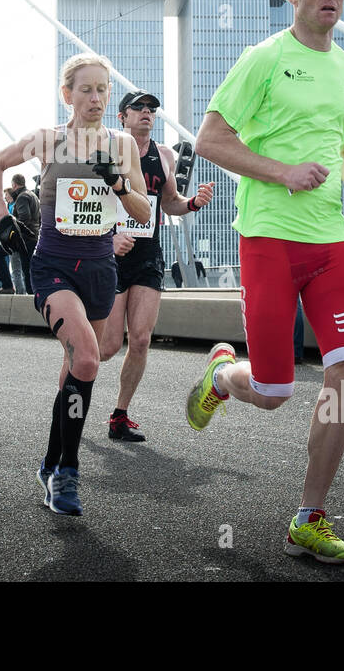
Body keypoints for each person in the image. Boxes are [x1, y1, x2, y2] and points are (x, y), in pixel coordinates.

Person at [191, 0, 344, 565]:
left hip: (332, 245)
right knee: (273, 390)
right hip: (269, 239)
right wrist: (283, 172)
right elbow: (211, 139)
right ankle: (223, 375)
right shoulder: (264, 59)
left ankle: (309, 517)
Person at [0, 52, 149, 516]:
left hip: (99, 268)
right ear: (67, 95)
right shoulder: (48, 140)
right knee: (88, 358)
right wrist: (2, 220)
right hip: (53, 265)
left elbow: (143, 214)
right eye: (86, 90)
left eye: (102, 90)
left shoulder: (123, 147)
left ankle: (51, 458)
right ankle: (67, 474)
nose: (95, 98)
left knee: (77, 368)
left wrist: (118, 186)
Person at [97, 90, 215, 442]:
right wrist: (108, 239)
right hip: (111, 253)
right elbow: (85, 207)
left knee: (142, 339)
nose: (147, 113)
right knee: (105, 348)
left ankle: (120, 415)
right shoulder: (107, 151)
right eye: (139, 108)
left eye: (151, 109)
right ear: (122, 117)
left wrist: (193, 203)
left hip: (148, 254)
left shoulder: (164, 155)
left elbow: (171, 202)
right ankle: (71, 389)